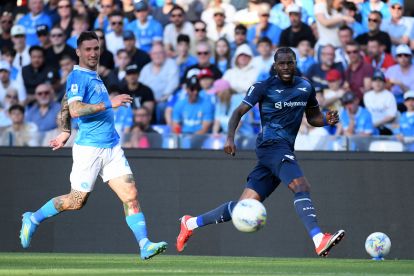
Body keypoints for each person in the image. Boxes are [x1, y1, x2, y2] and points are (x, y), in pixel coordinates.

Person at [176, 47, 345, 257]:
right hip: (271, 146)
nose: (285, 67)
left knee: (243, 207)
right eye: (281, 63)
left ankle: (190, 223)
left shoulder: (305, 86)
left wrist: (326, 120)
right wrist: (230, 137)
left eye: (289, 63)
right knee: (301, 186)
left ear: (295, 63)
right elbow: (238, 112)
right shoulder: (263, 87)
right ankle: (319, 239)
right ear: (274, 66)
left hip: (281, 149)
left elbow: (313, 117)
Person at [19, 31, 167, 261]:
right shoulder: (78, 76)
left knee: (131, 195)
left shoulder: (92, 75)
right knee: (76, 201)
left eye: (96, 48)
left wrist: (65, 130)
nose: (93, 53)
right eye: (87, 49)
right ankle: (34, 218)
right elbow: (77, 109)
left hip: (111, 147)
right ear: (78, 51)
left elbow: (67, 102)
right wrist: (110, 102)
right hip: (89, 149)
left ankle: (144, 244)